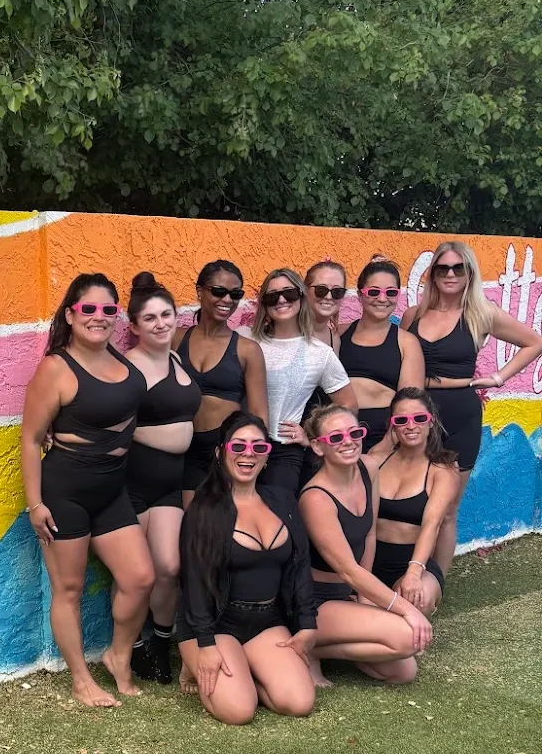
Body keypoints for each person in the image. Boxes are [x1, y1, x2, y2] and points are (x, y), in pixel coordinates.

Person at [21, 274, 155, 706]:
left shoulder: (123, 360)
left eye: (108, 310)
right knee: (70, 589)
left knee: (140, 578)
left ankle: (118, 655)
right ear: (70, 315)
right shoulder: (56, 368)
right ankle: (81, 680)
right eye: (89, 309)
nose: (99, 317)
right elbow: (29, 438)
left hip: (112, 490)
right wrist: (35, 503)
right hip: (65, 494)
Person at [401, 239, 542, 574]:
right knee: (412, 499)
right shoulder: (413, 315)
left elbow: (534, 342)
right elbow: (399, 360)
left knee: (448, 508)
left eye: (457, 268)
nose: (450, 274)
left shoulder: (481, 313)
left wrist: (499, 377)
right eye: (442, 268)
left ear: (468, 273)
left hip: (460, 415)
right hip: (415, 416)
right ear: (432, 274)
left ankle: (435, 583)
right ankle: (405, 571)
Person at [176, 412, 317, 723]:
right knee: (239, 711)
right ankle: (201, 664)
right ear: (220, 453)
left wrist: (307, 623)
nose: (248, 454)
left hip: (266, 621)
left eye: (258, 447)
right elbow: (193, 583)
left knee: (300, 703)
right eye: (238, 446)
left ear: (267, 455)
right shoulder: (204, 509)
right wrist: (206, 644)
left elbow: (300, 565)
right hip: (216, 624)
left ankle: (248, 670)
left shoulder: (282, 500)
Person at [298, 403, 432, 685]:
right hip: (315, 601)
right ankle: (306, 647)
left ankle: (324, 648)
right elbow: (347, 570)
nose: (348, 442)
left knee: (402, 671)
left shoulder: (368, 467)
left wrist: (364, 596)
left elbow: (369, 533)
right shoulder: (316, 498)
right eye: (335, 438)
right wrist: (404, 609)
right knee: (407, 635)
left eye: (354, 433)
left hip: (347, 591)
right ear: (318, 447)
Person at [123, 272, 200, 684]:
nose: (159, 323)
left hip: (170, 484)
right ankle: (134, 647)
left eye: (166, 314)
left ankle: (160, 640)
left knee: (170, 566)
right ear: (133, 326)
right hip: (131, 485)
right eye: (149, 318)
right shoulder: (125, 368)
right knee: (138, 575)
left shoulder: (177, 358)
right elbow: (110, 423)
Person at [248, 268, 357, 496]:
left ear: (301, 296)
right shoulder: (247, 341)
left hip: (284, 452)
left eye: (288, 294)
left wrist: (311, 438)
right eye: (271, 296)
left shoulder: (320, 353)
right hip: (242, 445)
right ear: (264, 305)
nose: (280, 300)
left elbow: (348, 404)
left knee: (278, 521)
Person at [174, 260, 268, 502]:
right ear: (200, 291)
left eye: (235, 294)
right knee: (190, 527)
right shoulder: (176, 339)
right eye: (218, 291)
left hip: (226, 448)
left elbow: (258, 413)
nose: (227, 300)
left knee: (224, 524)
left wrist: (253, 457)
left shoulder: (247, 349)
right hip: (183, 448)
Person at [365, 388, 461, 616]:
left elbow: (432, 524)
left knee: (417, 600)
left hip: (413, 563)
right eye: (401, 420)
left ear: (431, 422)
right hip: (371, 561)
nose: (410, 426)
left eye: (419, 418)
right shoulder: (375, 461)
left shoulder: (442, 470)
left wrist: (413, 574)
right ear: (392, 425)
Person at [337, 256, 425, 451]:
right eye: (374, 292)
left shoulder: (407, 343)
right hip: (338, 437)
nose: (382, 298)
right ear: (360, 295)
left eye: (391, 292)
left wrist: (385, 446)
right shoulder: (338, 335)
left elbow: (409, 406)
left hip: (385, 439)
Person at [304, 260, 349, 349]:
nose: (329, 297)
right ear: (305, 290)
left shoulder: (334, 339)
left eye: (337, 291)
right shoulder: (288, 332)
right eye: (321, 290)